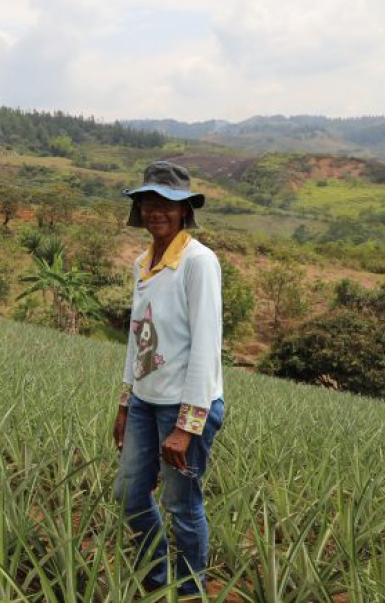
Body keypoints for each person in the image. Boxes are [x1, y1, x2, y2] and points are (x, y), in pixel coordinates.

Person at [112, 161, 225, 599]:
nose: (156, 211)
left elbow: (206, 345)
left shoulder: (199, 262)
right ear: (139, 209)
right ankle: (158, 581)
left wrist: (187, 424)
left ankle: (191, 592)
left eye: (167, 203)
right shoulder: (143, 263)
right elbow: (138, 336)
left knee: (182, 505)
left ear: (184, 211)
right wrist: (126, 401)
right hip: (144, 401)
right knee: (128, 494)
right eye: (148, 202)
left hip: (185, 407)